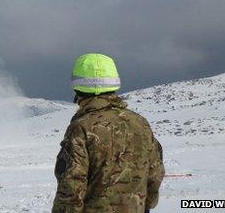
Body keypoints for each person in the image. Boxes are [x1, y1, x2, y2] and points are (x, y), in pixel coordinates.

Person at [52, 53, 165, 213]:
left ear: (78, 88)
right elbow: (155, 173)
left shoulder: (81, 128)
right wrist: (144, 206)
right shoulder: (140, 123)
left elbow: (71, 186)